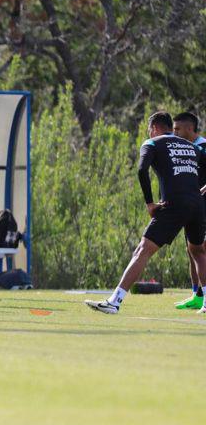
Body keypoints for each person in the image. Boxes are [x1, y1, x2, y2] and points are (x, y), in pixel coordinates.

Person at [87, 112, 206, 314]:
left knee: (143, 249)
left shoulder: (152, 143)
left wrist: (150, 203)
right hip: (198, 204)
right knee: (198, 251)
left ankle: (114, 302)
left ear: (154, 128)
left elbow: (142, 170)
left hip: (174, 203)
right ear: (170, 127)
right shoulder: (192, 146)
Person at [172, 111, 206, 310]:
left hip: (203, 206)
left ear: (189, 129)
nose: (174, 133)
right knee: (192, 250)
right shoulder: (186, 149)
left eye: (177, 129)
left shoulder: (202, 147)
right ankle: (197, 295)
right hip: (193, 207)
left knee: (200, 250)